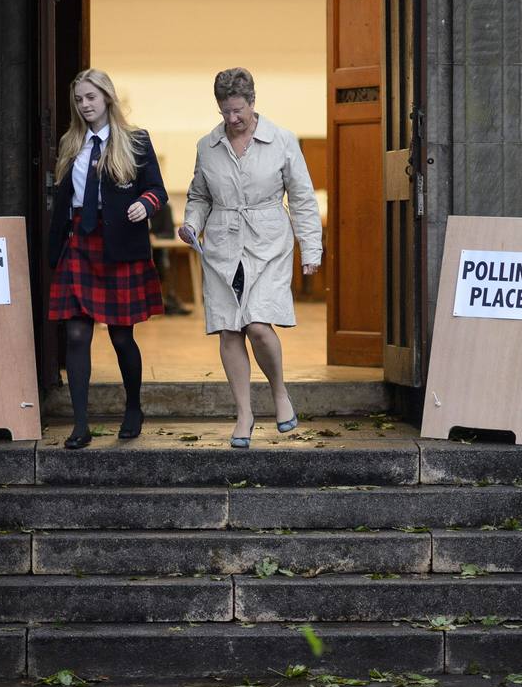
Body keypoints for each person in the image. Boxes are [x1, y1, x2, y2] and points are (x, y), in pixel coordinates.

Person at [180, 67, 322, 448]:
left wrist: (311, 248)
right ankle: (244, 412)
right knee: (229, 328)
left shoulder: (282, 141)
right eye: (225, 111)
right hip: (223, 244)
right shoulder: (206, 146)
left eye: (238, 110)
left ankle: (279, 393)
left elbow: (303, 198)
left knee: (258, 324)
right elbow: (199, 195)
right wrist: (191, 224)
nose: (232, 119)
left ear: (253, 101)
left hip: (269, 240)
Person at [46, 68, 168, 449]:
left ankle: (133, 407)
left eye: (91, 98)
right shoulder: (70, 143)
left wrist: (143, 206)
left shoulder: (134, 140)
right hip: (79, 241)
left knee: (120, 336)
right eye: (79, 99)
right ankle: (80, 425)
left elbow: (157, 190)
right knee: (77, 333)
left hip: (119, 244)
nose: (85, 105)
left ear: (107, 98)